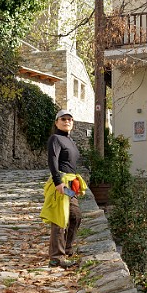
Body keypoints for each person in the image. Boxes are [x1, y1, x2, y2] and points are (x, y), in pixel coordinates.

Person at [45, 110, 83, 268]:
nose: (67, 121)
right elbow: (52, 160)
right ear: (56, 122)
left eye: (69, 119)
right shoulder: (55, 139)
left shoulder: (71, 141)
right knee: (60, 219)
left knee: (75, 216)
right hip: (60, 183)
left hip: (70, 183)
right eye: (63, 119)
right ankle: (56, 257)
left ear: (72, 123)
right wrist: (58, 182)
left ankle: (66, 249)